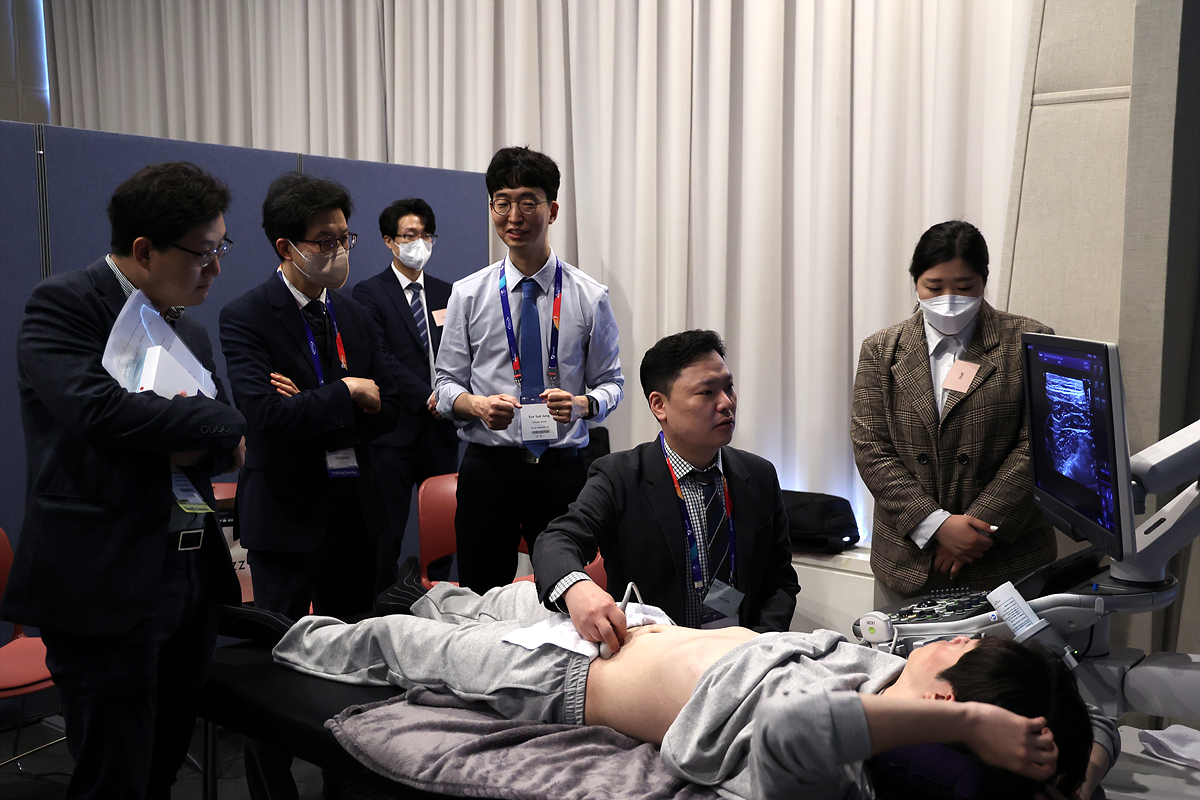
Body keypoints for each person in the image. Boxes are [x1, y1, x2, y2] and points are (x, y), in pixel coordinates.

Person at [273, 580, 1115, 800]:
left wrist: (971, 723)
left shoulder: (841, 762)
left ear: (949, 709)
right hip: (633, 627)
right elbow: (1091, 707)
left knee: (397, 644)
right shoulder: (892, 672)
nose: (958, 639)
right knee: (487, 598)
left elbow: (791, 726)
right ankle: (426, 595)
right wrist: (1083, 765)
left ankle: (263, 634)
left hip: (561, 680)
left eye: (963, 653)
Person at [1, 162, 247, 800]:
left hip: (187, 568)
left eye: (221, 248)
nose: (216, 269)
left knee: (164, 761)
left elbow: (226, 439)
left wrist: (191, 433)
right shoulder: (65, 305)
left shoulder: (186, 326)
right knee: (114, 772)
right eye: (203, 253)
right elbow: (99, 414)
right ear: (144, 250)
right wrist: (203, 428)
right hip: (103, 576)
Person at [218, 171, 408, 799]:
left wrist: (314, 400)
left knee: (351, 671)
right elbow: (264, 418)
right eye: (325, 241)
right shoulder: (247, 316)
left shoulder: (355, 312)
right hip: (286, 521)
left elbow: (394, 403)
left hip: (355, 517)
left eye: (345, 237)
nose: (339, 251)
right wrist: (347, 392)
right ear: (286, 247)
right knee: (275, 670)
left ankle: (344, 788)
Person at [531, 329, 799, 649]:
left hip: (745, 653)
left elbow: (780, 582)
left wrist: (759, 645)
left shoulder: (758, 475)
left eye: (728, 387)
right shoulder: (619, 476)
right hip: (657, 656)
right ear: (659, 405)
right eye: (707, 392)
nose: (726, 403)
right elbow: (556, 542)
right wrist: (577, 589)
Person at [435, 146, 624, 592]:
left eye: (527, 202)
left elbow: (612, 383)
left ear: (552, 210)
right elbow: (444, 385)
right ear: (491, 208)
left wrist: (582, 404)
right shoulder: (468, 294)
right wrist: (477, 406)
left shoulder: (590, 296)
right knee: (482, 596)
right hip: (489, 469)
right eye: (502, 203)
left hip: (561, 471)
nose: (514, 216)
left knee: (564, 595)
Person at [852, 220, 1056, 602]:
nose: (949, 299)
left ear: (984, 281)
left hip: (1007, 562)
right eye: (934, 287)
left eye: (964, 288)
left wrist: (975, 530)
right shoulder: (881, 350)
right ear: (916, 282)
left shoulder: (1028, 341)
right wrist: (936, 526)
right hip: (907, 561)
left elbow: (1038, 445)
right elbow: (871, 448)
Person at [352, 198, 459, 593]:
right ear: (389, 241)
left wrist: (451, 398)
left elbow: (463, 354)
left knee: (446, 528)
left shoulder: (449, 293)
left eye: (426, 235)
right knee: (386, 530)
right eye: (411, 235)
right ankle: (379, 605)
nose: (420, 243)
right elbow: (381, 358)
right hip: (394, 430)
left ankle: (442, 601)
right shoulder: (369, 293)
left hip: (442, 431)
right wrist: (429, 397)